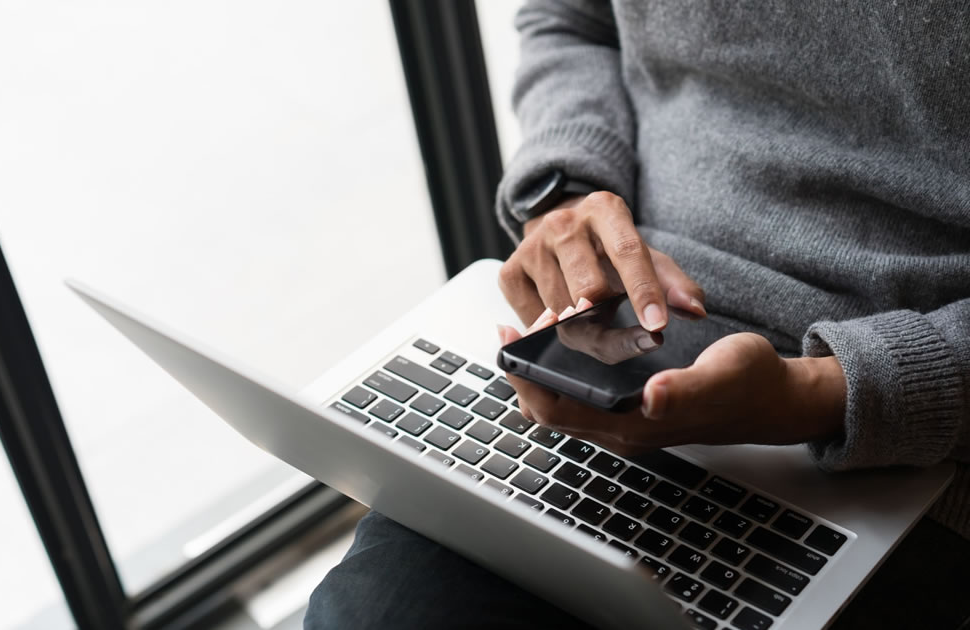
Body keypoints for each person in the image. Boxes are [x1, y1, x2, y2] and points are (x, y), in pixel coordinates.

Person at [306, 1, 970, 628]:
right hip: (617, 337)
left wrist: (826, 393)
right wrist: (566, 198)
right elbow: (571, 20)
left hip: (908, 435)